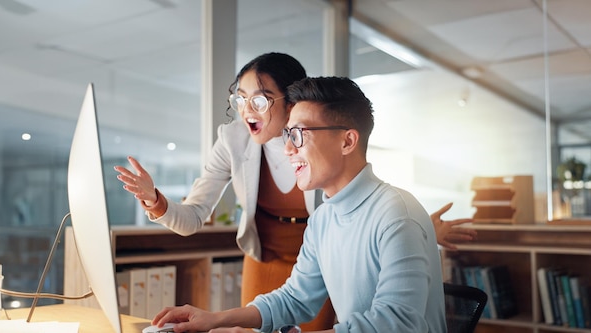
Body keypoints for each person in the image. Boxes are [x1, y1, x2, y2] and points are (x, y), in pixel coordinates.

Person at [114, 52, 471, 329]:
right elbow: (296, 298)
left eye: (298, 135)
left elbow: (394, 323)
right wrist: (215, 318)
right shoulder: (326, 217)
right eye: (240, 99)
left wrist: (417, 228)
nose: (288, 149)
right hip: (276, 254)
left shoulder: (390, 212)